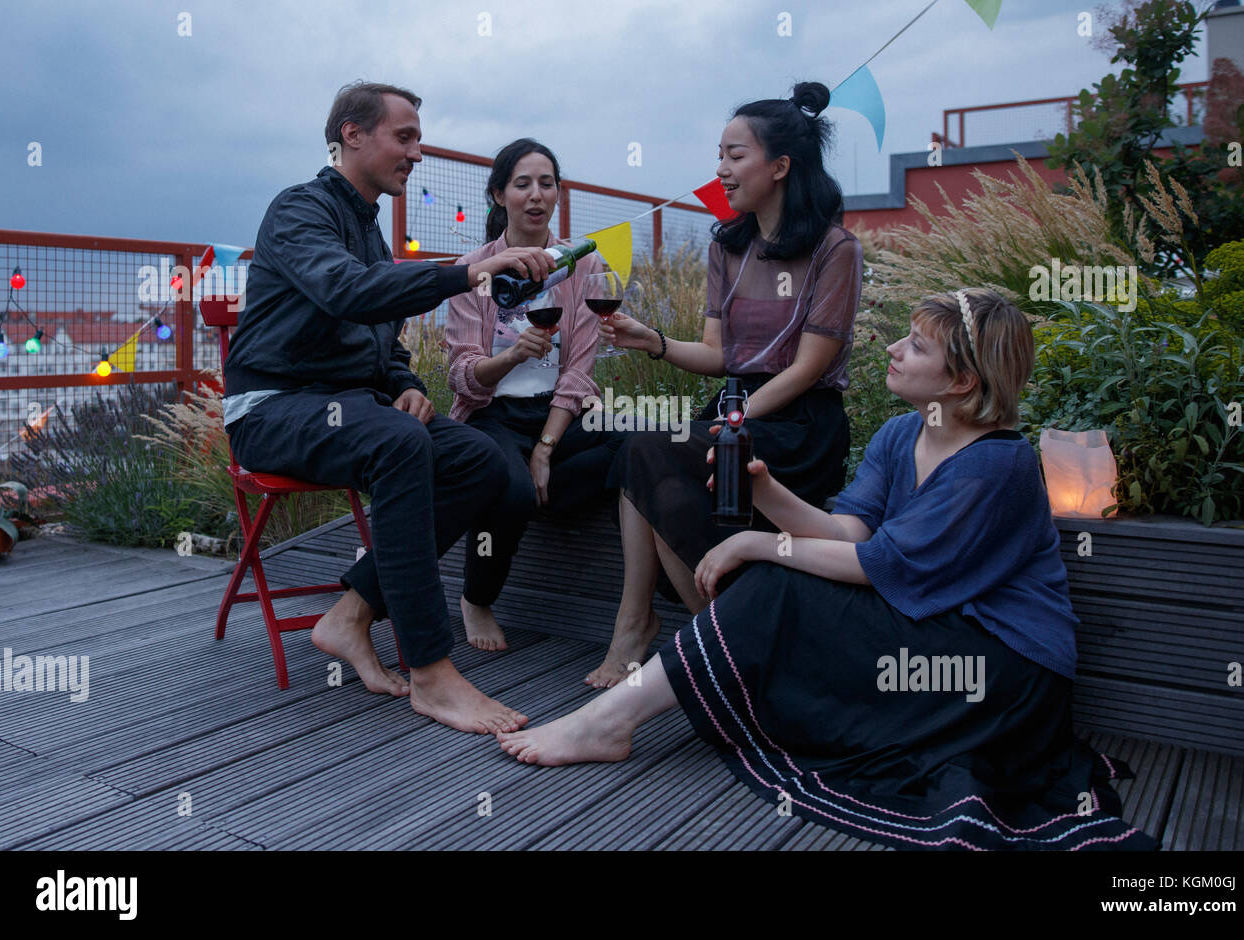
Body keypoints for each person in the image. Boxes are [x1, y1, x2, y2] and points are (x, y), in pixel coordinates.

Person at [497, 288, 1157, 851]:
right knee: (778, 579)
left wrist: (760, 543)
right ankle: (619, 718)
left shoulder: (998, 464)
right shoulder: (903, 434)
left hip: (999, 663)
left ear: (961, 381)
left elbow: (877, 566)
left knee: (776, 577)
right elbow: (847, 529)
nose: (895, 349)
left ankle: (610, 722)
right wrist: (764, 492)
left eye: (917, 347)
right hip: (924, 625)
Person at [223, 81, 556, 734]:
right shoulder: (299, 210)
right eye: (405, 137)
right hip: (271, 411)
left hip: (349, 409)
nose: (417, 153)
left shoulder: (372, 234)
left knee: (478, 459)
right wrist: (470, 270)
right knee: (399, 442)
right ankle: (432, 674)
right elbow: (346, 291)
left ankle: (349, 615)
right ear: (352, 135)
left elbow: (383, 340)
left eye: (418, 140)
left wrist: (407, 384)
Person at [584, 81, 862, 687]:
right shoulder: (727, 246)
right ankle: (683, 634)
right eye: (720, 154)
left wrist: (733, 424)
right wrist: (651, 340)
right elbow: (716, 355)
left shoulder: (835, 249)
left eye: (736, 156)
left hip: (798, 422)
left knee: (659, 454)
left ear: (781, 166)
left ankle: (703, 646)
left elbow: (808, 367)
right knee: (639, 450)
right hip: (737, 405)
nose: (721, 170)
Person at [444, 138, 624, 651]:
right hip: (491, 414)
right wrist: (512, 356)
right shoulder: (476, 270)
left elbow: (580, 371)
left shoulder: (581, 265)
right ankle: (476, 598)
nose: (536, 195)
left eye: (547, 183)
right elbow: (461, 375)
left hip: (556, 414)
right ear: (500, 195)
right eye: (522, 184)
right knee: (507, 484)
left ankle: (528, 489)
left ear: (559, 193)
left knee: (633, 439)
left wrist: (545, 447)